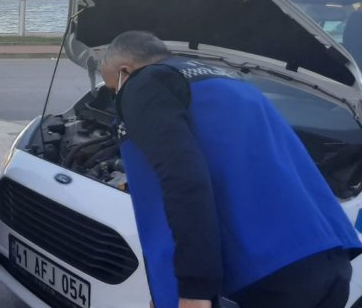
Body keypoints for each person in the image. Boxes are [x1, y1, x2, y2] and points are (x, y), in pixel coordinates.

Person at [100, 31, 362, 308]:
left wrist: (193, 289)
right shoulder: (227, 80)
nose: (118, 97)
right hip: (327, 260)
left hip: (266, 278)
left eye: (113, 89)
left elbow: (183, 181)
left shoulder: (145, 83)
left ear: (125, 71)